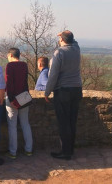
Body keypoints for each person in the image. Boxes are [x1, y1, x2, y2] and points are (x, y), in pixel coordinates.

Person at [45, 30, 82, 160]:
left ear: (62, 40)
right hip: (77, 90)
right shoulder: (76, 49)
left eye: (60, 38)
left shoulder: (59, 52)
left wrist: (47, 91)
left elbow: (53, 75)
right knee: (72, 121)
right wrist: (67, 34)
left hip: (63, 91)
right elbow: (73, 41)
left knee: (64, 123)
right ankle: (70, 150)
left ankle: (65, 152)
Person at [5, 47, 33, 159]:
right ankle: (29, 149)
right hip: (23, 97)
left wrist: (11, 99)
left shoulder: (10, 66)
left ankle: (13, 152)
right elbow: (25, 82)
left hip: (13, 99)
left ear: (11, 55)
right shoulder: (24, 65)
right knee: (25, 124)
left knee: (12, 126)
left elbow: (9, 83)